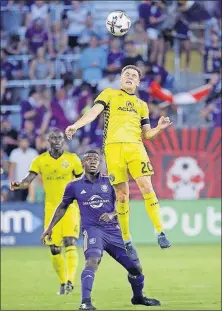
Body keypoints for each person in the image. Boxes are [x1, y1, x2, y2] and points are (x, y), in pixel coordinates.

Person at [65, 65, 172, 261]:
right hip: (113, 150)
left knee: (147, 186)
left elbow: (147, 134)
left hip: (135, 148)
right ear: (121, 78)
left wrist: (159, 128)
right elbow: (93, 113)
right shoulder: (109, 94)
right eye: (127, 74)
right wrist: (76, 125)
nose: (130, 77)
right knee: (122, 196)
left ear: (138, 82)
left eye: (134, 76)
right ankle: (126, 239)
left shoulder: (141, 105)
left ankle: (160, 232)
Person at [41, 150, 161, 310]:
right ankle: (85, 302)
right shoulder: (74, 186)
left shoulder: (110, 182)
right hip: (92, 231)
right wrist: (49, 228)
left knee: (136, 268)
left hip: (114, 231)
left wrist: (112, 214)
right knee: (92, 262)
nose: (93, 161)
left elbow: (123, 202)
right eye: (89, 159)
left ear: (100, 163)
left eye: (96, 159)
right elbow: (62, 206)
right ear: (83, 163)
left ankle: (138, 297)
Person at [10, 128, 83, 295]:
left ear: (63, 140)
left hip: (70, 207)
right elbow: (28, 181)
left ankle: (71, 281)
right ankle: (63, 283)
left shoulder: (73, 159)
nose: (57, 140)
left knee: (70, 242)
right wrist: (18, 184)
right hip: (51, 209)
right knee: (55, 248)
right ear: (47, 141)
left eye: (59, 138)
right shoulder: (40, 160)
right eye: (53, 138)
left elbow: (82, 181)